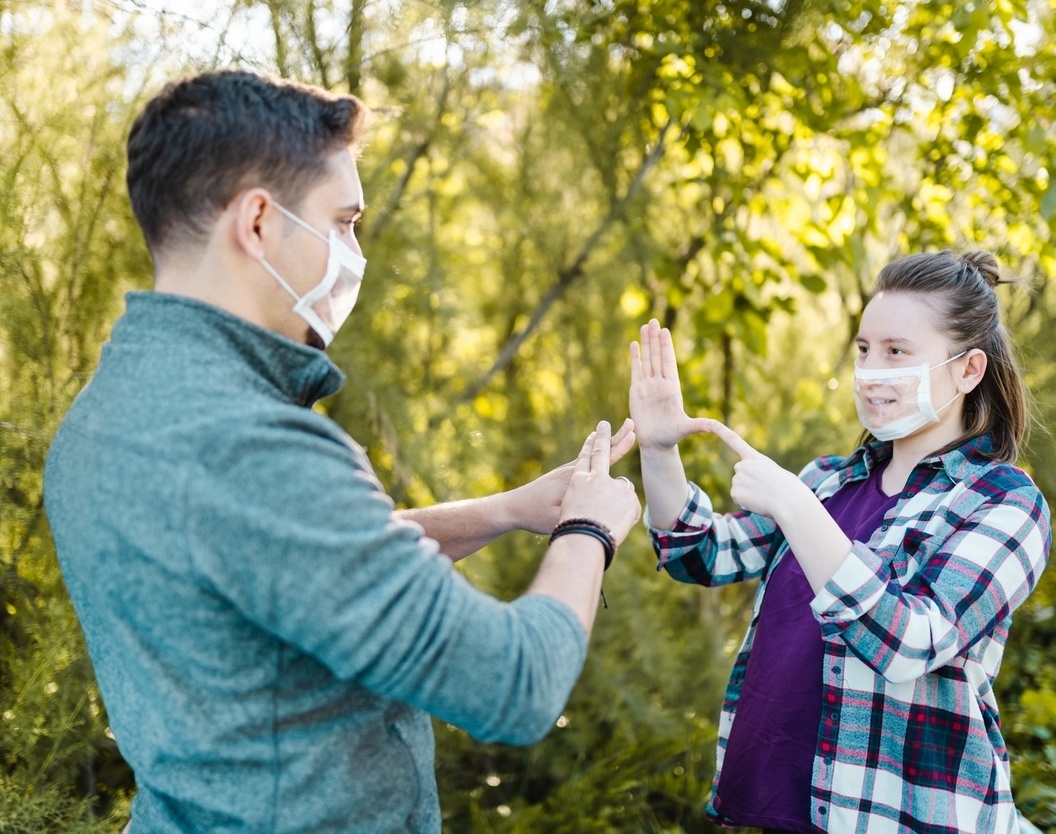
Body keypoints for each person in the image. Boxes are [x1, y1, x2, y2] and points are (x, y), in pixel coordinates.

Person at [43, 70, 641, 834]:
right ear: (257, 221)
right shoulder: (251, 447)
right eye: (344, 222)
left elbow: (286, 562)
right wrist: (586, 532)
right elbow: (514, 683)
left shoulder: (109, 410)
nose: (353, 251)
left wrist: (505, 511)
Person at [628, 251, 1051, 833]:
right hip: (769, 802)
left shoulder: (1003, 502)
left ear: (968, 370)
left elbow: (911, 642)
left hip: (893, 817)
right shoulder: (829, 480)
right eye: (863, 349)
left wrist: (794, 506)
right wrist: (657, 449)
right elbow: (700, 552)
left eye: (896, 351)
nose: (871, 370)